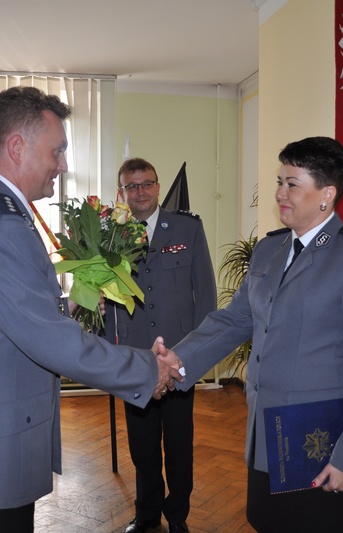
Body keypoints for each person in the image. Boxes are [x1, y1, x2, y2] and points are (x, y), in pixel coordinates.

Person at [0, 86, 183, 533]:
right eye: (57, 151)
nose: (62, 164)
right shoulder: (0, 224)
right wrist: (147, 370)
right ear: (17, 147)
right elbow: (50, 340)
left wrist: (76, 302)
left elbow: (12, 315)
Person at [166, 137, 343, 532]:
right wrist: (177, 360)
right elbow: (235, 320)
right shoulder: (269, 250)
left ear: (326, 194)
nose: (279, 193)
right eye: (280, 182)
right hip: (266, 433)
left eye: (292, 184)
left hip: (320, 441)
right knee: (266, 522)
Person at [104, 158, 217, 533]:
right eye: (132, 186)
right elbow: (104, 300)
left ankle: (178, 514)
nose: (140, 192)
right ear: (122, 191)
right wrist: (111, 354)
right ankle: (148, 512)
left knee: (180, 446)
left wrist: (197, 355)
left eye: (147, 184)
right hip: (136, 361)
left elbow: (205, 295)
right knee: (142, 446)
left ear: (157, 186)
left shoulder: (188, 227)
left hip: (180, 357)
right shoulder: (109, 236)